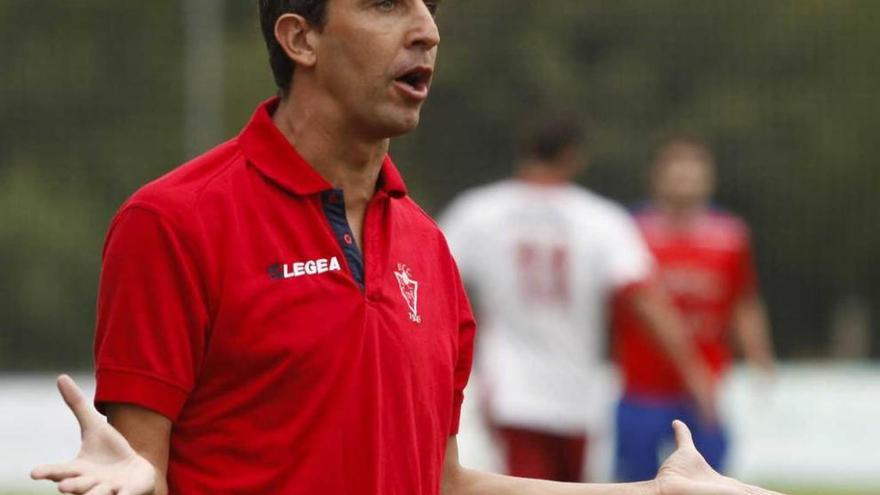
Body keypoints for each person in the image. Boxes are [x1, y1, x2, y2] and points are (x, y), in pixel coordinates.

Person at [31, 2, 784, 495]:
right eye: (389, 3)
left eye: (428, 5)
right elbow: (139, 473)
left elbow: (445, 481)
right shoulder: (173, 221)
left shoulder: (430, 246)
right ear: (301, 39)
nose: (427, 28)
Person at [438, 116, 716, 483]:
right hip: (576, 393)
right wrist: (694, 372)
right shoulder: (601, 219)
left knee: (513, 486)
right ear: (573, 156)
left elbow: (432, 281)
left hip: (507, 388)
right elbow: (644, 301)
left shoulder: (478, 211)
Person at [613, 134, 776, 482]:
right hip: (642, 387)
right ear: (656, 177)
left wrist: (760, 354)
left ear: (709, 179)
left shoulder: (730, 235)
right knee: (635, 483)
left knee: (709, 481)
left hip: (706, 386)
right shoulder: (628, 232)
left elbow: (743, 301)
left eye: (694, 173)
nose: (685, 182)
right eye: (677, 173)